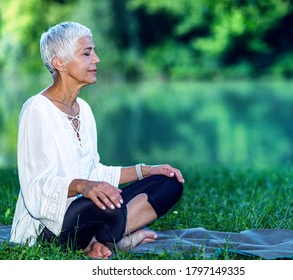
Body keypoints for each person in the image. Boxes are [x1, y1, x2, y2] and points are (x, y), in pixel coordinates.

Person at [10, 21, 184, 259]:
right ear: (59, 63)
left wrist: (147, 170)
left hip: (86, 213)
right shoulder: (36, 110)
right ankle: (115, 239)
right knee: (103, 206)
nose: (97, 59)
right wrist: (84, 186)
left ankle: (99, 241)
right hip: (47, 228)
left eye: (94, 51)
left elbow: (95, 172)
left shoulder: (84, 109)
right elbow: (36, 188)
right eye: (87, 53)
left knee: (169, 182)